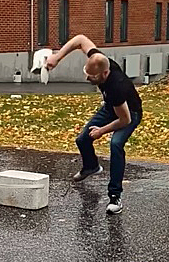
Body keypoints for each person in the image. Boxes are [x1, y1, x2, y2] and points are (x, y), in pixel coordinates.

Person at [45, 35, 142, 213]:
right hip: (111, 108)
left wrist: (102, 131)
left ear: (104, 74)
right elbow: (80, 39)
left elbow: (125, 120)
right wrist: (56, 57)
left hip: (130, 113)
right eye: (86, 74)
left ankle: (115, 197)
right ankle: (91, 166)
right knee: (82, 139)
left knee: (116, 144)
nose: (87, 79)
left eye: (92, 77)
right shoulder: (99, 60)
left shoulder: (116, 86)